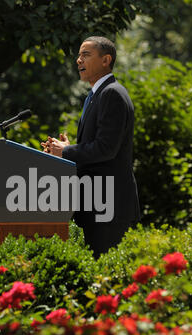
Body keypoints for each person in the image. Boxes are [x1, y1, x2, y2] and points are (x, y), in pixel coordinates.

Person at [41, 36, 140, 258]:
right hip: (97, 203)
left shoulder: (112, 93)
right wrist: (69, 148)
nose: (78, 60)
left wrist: (65, 152)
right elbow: (96, 145)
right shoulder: (95, 95)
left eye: (86, 55)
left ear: (106, 60)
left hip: (109, 205)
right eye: (78, 55)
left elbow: (106, 148)